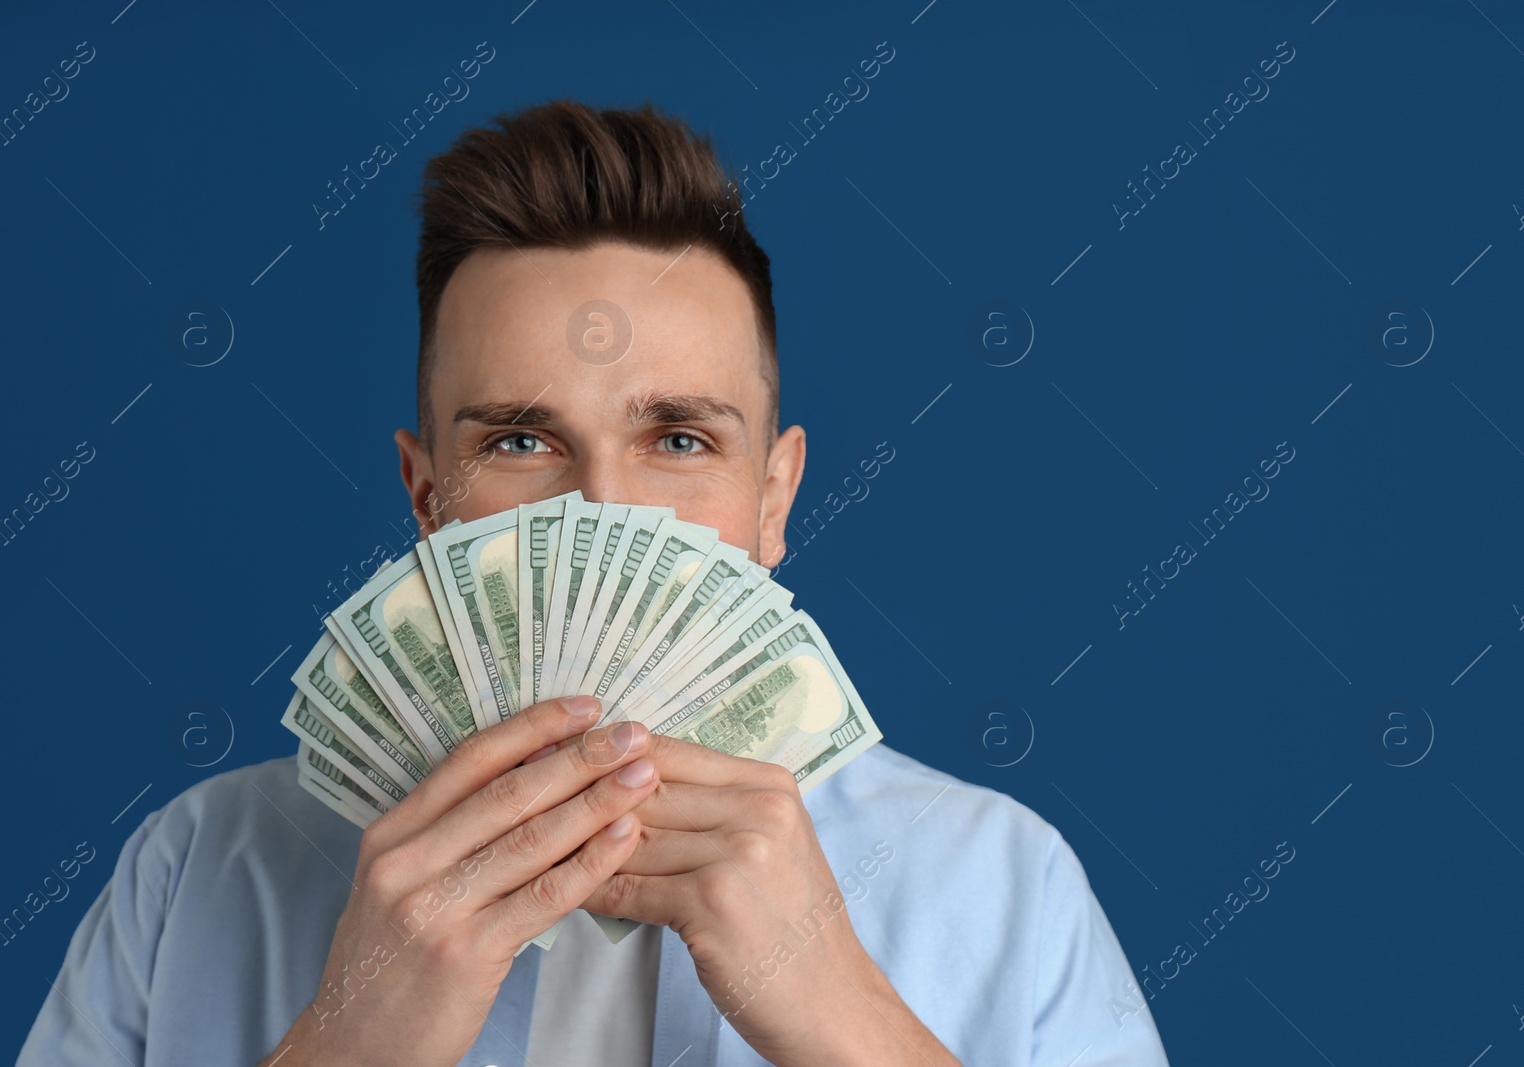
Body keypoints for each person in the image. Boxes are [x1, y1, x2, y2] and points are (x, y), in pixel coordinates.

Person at [18, 99, 1170, 1067]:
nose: (602, 515)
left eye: (678, 439)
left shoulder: (1001, 880)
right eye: (520, 440)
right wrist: (345, 1040)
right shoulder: (197, 868)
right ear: (428, 502)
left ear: (773, 497)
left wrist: (848, 1019)